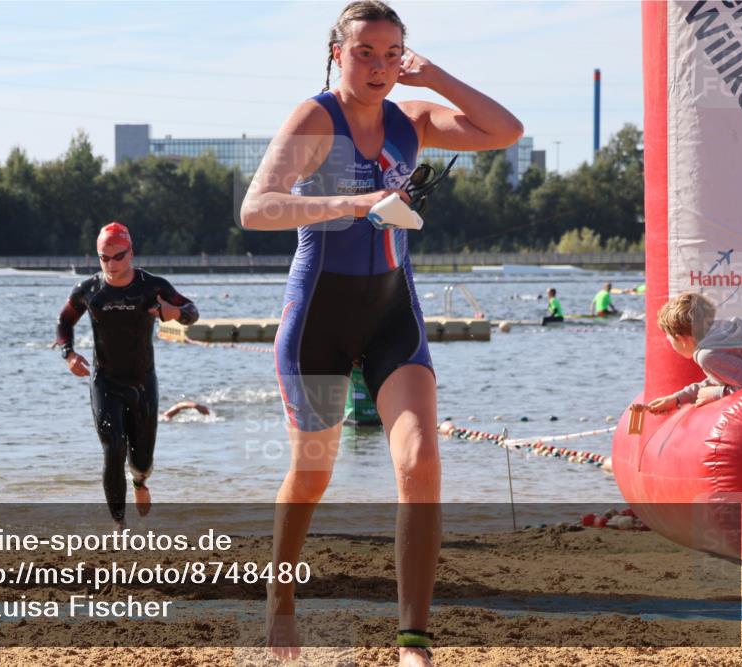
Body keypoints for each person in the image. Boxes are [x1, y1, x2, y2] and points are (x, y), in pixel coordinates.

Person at [239, 3, 522, 665]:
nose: (379, 66)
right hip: (318, 319)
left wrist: (437, 77)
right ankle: (280, 596)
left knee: (420, 460)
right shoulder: (316, 120)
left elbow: (505, 130)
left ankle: (413, 639)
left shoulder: (412, 121)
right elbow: (257, 208)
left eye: (392, 53)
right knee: (313, 474)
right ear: (336, 52)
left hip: (395, 313)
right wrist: (356, 202)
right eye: (365, 51)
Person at [55, 222, 199, 529]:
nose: (110, 265)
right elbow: (64, 321)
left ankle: (139, 482)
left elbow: (191, 310)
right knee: (113, 448)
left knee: (142, 461)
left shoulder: (151, 287)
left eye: (117, 257)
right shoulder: (89, 290)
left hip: (143, 382)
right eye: (103, 258)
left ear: (130, 253)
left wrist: (174, 314)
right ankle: (119, 525)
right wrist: (68, 353)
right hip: (105, 382)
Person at [646, 292, 742, 413]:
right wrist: (677, 398)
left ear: (679, 338)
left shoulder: (708, 355)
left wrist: (717, 393)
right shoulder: (720, 335)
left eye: (668, 337)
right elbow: (719, 380)